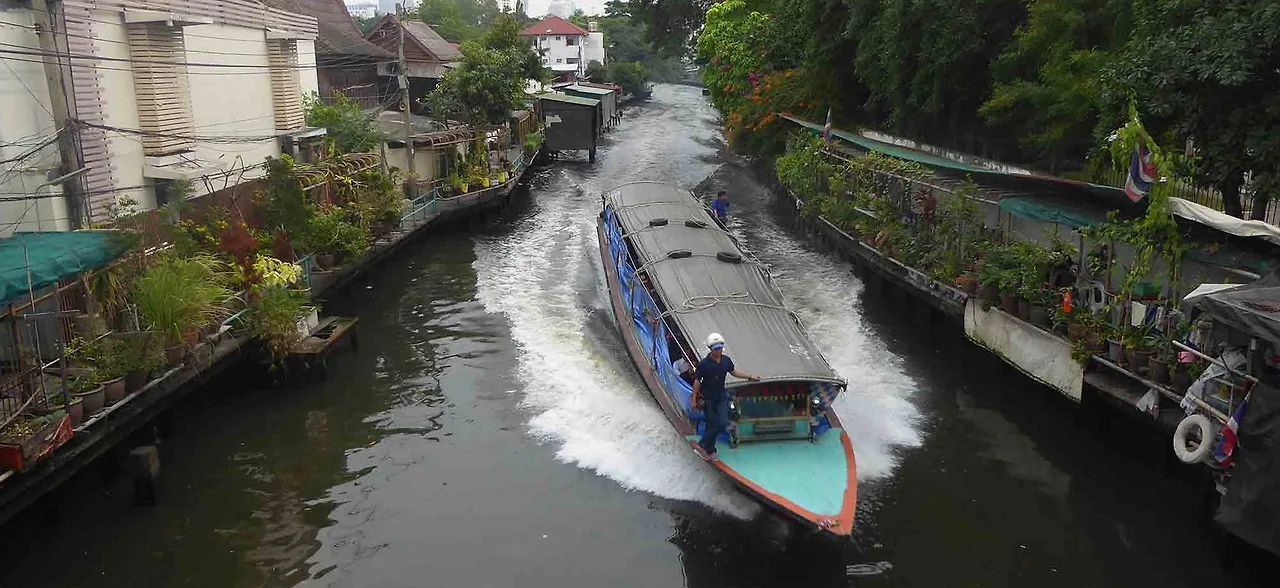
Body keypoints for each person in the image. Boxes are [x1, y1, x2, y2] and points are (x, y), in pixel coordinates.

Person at [692, 332, 759, 461]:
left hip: (721, 397)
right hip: (708, 399)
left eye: (720, 348)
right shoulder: (704, 364)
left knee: (722, 422)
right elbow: (697, 381)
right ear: (710, 349)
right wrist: (693, 399)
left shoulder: (726, 360)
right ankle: (710, 450)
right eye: (716, 348)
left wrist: (750, 377)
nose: (718, 350)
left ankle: (702, 445)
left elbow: (733, 372)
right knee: (711, 424)